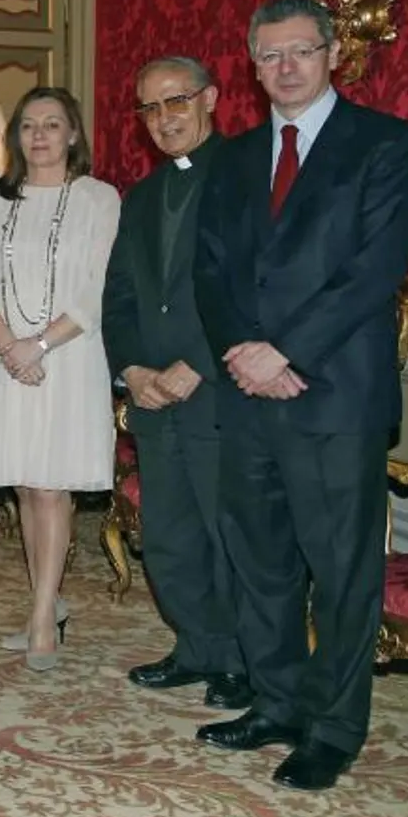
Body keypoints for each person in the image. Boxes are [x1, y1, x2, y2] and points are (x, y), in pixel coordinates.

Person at [192, 0, 408, 791]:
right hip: (247, 392)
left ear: (331, 54)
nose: (284, 67)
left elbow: (375, 269)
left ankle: (333, 727)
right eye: (268, 55)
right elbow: (210, 270)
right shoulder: (233, 155)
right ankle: (277, 700)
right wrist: (241, 353)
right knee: (259, 562)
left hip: (333, 395)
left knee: (341, 570)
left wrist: (284, 351)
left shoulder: (384, 143)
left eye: (299, 51)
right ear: (251, 66)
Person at [102, 57, 251, 709]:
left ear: (211, 99)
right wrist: (132, 368)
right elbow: (120, 296)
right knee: (168, 531)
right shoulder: (139, 197)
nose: (164, 118)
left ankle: (242, 660)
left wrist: (198, 361)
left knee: (229, 532)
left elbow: (253, 285)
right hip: (155, 396)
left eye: (176, 101)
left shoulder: (246, 178)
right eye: (150, 107)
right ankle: (195, 646)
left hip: (217, 389)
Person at [0, 87, 119, 670]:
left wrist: (40, 344)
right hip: (8, 363)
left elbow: (97, 288)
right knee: (25, 485)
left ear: (74, 134)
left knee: (54, 487)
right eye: (29, 126)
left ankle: (43, 616)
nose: (40, 136)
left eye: (53, 125)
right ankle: (44, 601)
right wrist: (7, 345)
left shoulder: (100, 199)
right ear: (16, 138)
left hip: (70, 358)